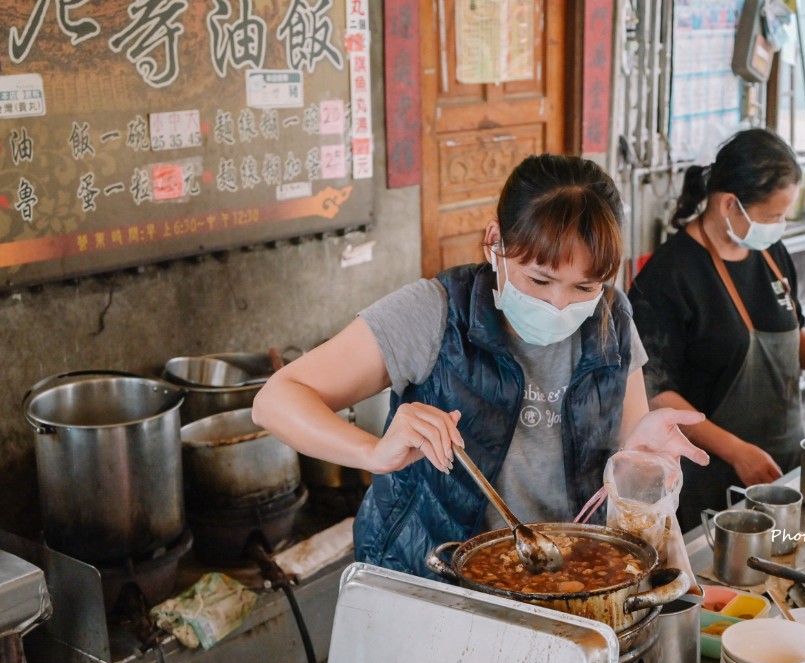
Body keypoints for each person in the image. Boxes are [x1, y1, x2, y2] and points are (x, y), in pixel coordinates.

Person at [253, 153, 709, 577]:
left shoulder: (613, 316)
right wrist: (372, 452)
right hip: (433, 578)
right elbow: (276, 400)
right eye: (540, 278)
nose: (557, 304)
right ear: (496, 242)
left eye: (584, 287)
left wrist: (639, 457)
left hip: (561, 578)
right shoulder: (436, 312)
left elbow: (621, 463)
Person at [629, 129, 805, 529]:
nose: (778, 226)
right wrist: (736, 451)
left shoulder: (769, 252)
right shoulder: (669, 275)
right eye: (772, 216)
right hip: (708, 475)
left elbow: (790, 330)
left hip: (782, 460)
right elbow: (656, 394)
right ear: (728, 204)